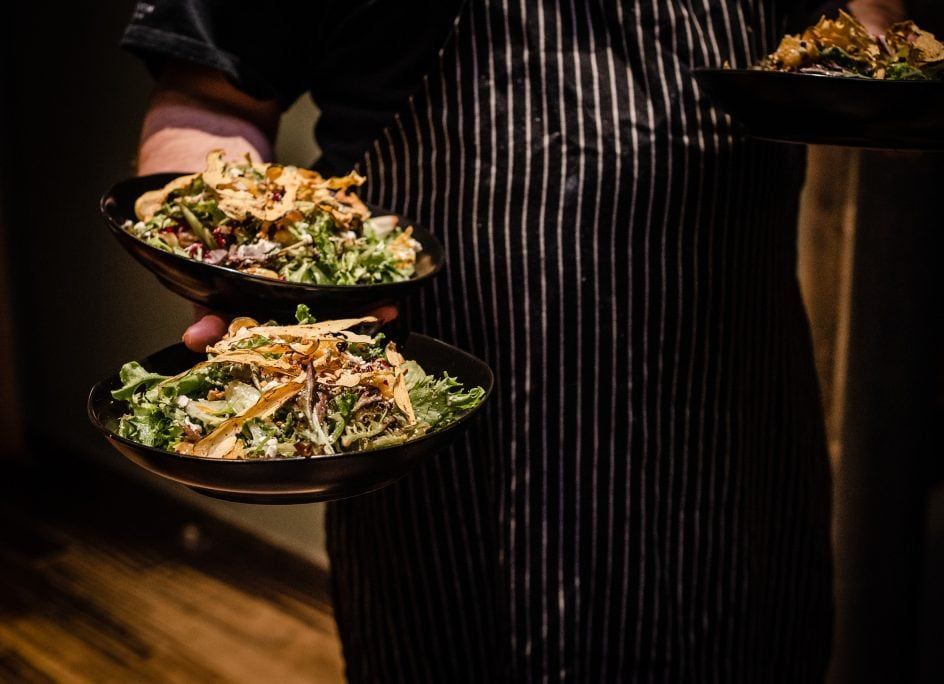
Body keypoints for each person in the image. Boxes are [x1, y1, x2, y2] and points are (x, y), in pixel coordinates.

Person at [123, 0, 902, 680]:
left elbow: (854, 28)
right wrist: (235, 267)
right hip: (435, 453)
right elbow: (208, 94)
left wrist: (885, 56)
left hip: (722, 427)